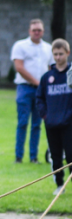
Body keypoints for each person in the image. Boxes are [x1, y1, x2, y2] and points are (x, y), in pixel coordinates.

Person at [11, 19, 53, 164]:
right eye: (34, 30)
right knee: (23, 122)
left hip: (42, 91)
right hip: (25, 88)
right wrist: (37, 82)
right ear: (29, 31)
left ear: (43, 31)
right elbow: (19, 67)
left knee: (37, 124)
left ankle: (33, 157)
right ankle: (19, 156)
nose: (37, 33)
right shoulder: (20, 46)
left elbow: (50, 68)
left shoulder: (48, 48)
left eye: (39, 30)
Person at [36, 39, 72, 195]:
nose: (58, 57)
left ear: (67, 53)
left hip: (69, 123)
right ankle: (59, 185)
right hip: (52, 123)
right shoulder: (47, 77)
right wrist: (45, 115)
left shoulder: (71, 74)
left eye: (61, 54)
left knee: (70, 155)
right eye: (55, 54)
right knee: (55, 156)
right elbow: (39, 98)